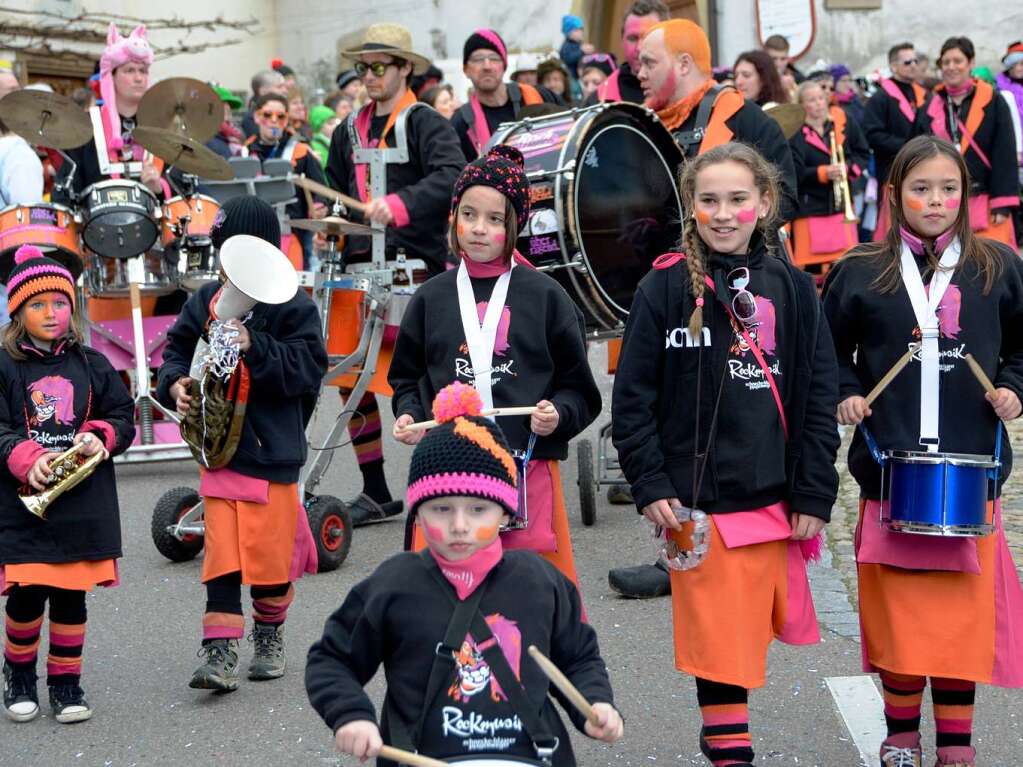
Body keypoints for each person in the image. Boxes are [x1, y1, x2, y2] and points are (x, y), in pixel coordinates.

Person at [612, 141, 839, 767]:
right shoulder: (660, 288)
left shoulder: (794, 289)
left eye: (738, 199)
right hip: (697, 505)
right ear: (690, 205)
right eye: (708, 200)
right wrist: (650, 481)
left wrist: (815, 490)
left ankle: (726, 743)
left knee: (748, 639)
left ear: (764, 203)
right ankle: (731, 753)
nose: (723, 212)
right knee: (718, 648)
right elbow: (632, 398)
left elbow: (820, 396)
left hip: (771, 497)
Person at [822, 134, 1023, 767]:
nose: (934, 201)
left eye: (948, 189)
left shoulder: (997, 266)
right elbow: (829, 356)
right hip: (890, 475)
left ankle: (957, 746)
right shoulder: (859, 272)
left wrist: (1014, 389)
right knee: (901, 620)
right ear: (893, 196)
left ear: (965, 197)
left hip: (972, 475)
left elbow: (1019, 348)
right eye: (920, 189)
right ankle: (902, 733)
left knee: (960, 623)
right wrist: (849, 394)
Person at [306, 384, 622, 766]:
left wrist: (595, 703)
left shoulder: (539, 581)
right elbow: (332, 659)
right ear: (418, 513)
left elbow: (578, 658)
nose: (459, 525)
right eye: (441, 508)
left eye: (477, 509)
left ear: (506, 513)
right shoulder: (394, 585)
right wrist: (351, 715)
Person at [606, 20, 802, 598]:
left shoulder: (744, 121)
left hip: (735, 289)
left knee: (725, 410)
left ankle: (722, 545)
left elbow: (782, 195)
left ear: (685, 66)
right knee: (674, 410)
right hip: (674, 288)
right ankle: (678, 543)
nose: (637, 71)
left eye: (649, 62)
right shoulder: (651, 126)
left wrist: (721, 243)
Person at [389, 146, 602, 586]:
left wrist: (558, 416)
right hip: (447, 468)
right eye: (468, 214)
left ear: (515, 226)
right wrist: (409, 413)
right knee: (445, 603)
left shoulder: (546, 297)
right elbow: (406, 377)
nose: (478, 229)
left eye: (494, 219)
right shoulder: (431, 298)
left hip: (527, 468)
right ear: (454, 217)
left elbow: (579, 391)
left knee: (528, 602)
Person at [155, 197, 327, 694]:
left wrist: (260, 347)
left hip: (272, 451)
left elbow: (308, 370)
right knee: (222, 555)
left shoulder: (294, 306)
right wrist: (174, 384)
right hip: (221, 452)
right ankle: (220, 650)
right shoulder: (204, 298)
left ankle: (269, 634)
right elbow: (177, 349)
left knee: (271, 562)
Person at [326, 23, 465, 527]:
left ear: (405, 68)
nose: (368, 77)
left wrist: (399, 203)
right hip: (359, 268)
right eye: (362, 68)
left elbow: (453, 175)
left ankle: (442, 480)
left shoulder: (426, 122)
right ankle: (376, 489)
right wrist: (332, 224)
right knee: (349, 378)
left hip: (413, 266)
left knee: (427, 381)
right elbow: (336, 190)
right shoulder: (347, 129)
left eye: (378, 66)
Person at [0, 246, 134, 724]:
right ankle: (18, 674)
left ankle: (66, 684)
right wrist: (23, 456)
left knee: (72, 598)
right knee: (28, 593)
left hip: (82, 504)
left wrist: (102, 437)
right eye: (37, 305)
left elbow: (123, 416)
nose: (51, 313)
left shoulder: (93, 363)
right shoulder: (4, 365)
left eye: (59, 302)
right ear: (17, 311)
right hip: (23, 504)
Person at [914, 36, 1020, 249]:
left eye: (957, 61)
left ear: (971, 63)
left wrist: (1002, 203)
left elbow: (1004, 152)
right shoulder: (930, 105)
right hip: (943, 205)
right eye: (946, 62)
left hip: (986, 200)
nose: (951, 67)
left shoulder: (993, 101)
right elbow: (917, 152)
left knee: (990, 267)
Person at [52, 24, 172, 205]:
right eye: (129, 70)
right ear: (111, 77)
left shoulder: (162, 130)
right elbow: (64, 195)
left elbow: (183, 195)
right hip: (94, 228)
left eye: (143, 71)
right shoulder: (85, 126)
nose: (139, 78)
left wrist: (159, 188)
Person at [788, 80, 869, 275]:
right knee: (812, 271)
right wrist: (823, 173)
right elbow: (794, 172)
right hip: (809, 210)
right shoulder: (795, 132)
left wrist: (848, 170)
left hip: (841, 208)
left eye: (821, 98)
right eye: (811, 100)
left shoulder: (842, 121)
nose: (818, 104)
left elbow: (863, 153)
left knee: (846, 267)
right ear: (801, 105)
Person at [241, 91, 327, 268]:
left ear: (287, 119)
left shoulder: (302, 151)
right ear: (257, 117)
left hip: (291, 232)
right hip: (252, 236)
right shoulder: (244, 152)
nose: (274, 120)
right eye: (267, 115)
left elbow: (320, 191)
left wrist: (318, 207)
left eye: (280, 116)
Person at [451, 29, 561, 160]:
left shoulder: (540, 96)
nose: (487, 66)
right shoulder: (460, 123)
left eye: (494, 58)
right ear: (466, 70)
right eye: (478, 59)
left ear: (504, 66)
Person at [863, 43, 926, 189]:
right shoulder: (880, 97)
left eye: (916, 61)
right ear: (893, 66)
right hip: (891, 173)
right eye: (907, 62)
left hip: (920, 169)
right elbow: (872, 135)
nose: (914, 65)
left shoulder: (922, 94)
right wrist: (908, 146)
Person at [241, 69, 287, 138]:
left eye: (285, 86)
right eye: (279, 87)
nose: (285, 91)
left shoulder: (285, 111)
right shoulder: (252, 119)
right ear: (263, 91)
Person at [206, 84, 244, 159]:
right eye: (221, 104)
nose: (227, 108)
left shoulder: (236, 134)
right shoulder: (205, 139)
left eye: (229, 104)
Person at [558, 14, 592, 84]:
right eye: (576, 30)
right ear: (568, 33)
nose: (580, 32)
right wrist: (581, 51)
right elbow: (567, 59)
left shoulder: (579, 44)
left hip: (579, 76)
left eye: (581, 29)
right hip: (570, 77)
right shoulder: (566, 46)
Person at [308, 104, 338, 169]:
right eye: (330, 123)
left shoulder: (335, 141)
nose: (334, 126)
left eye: (335, 123)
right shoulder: (315, 146)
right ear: (319, 126)